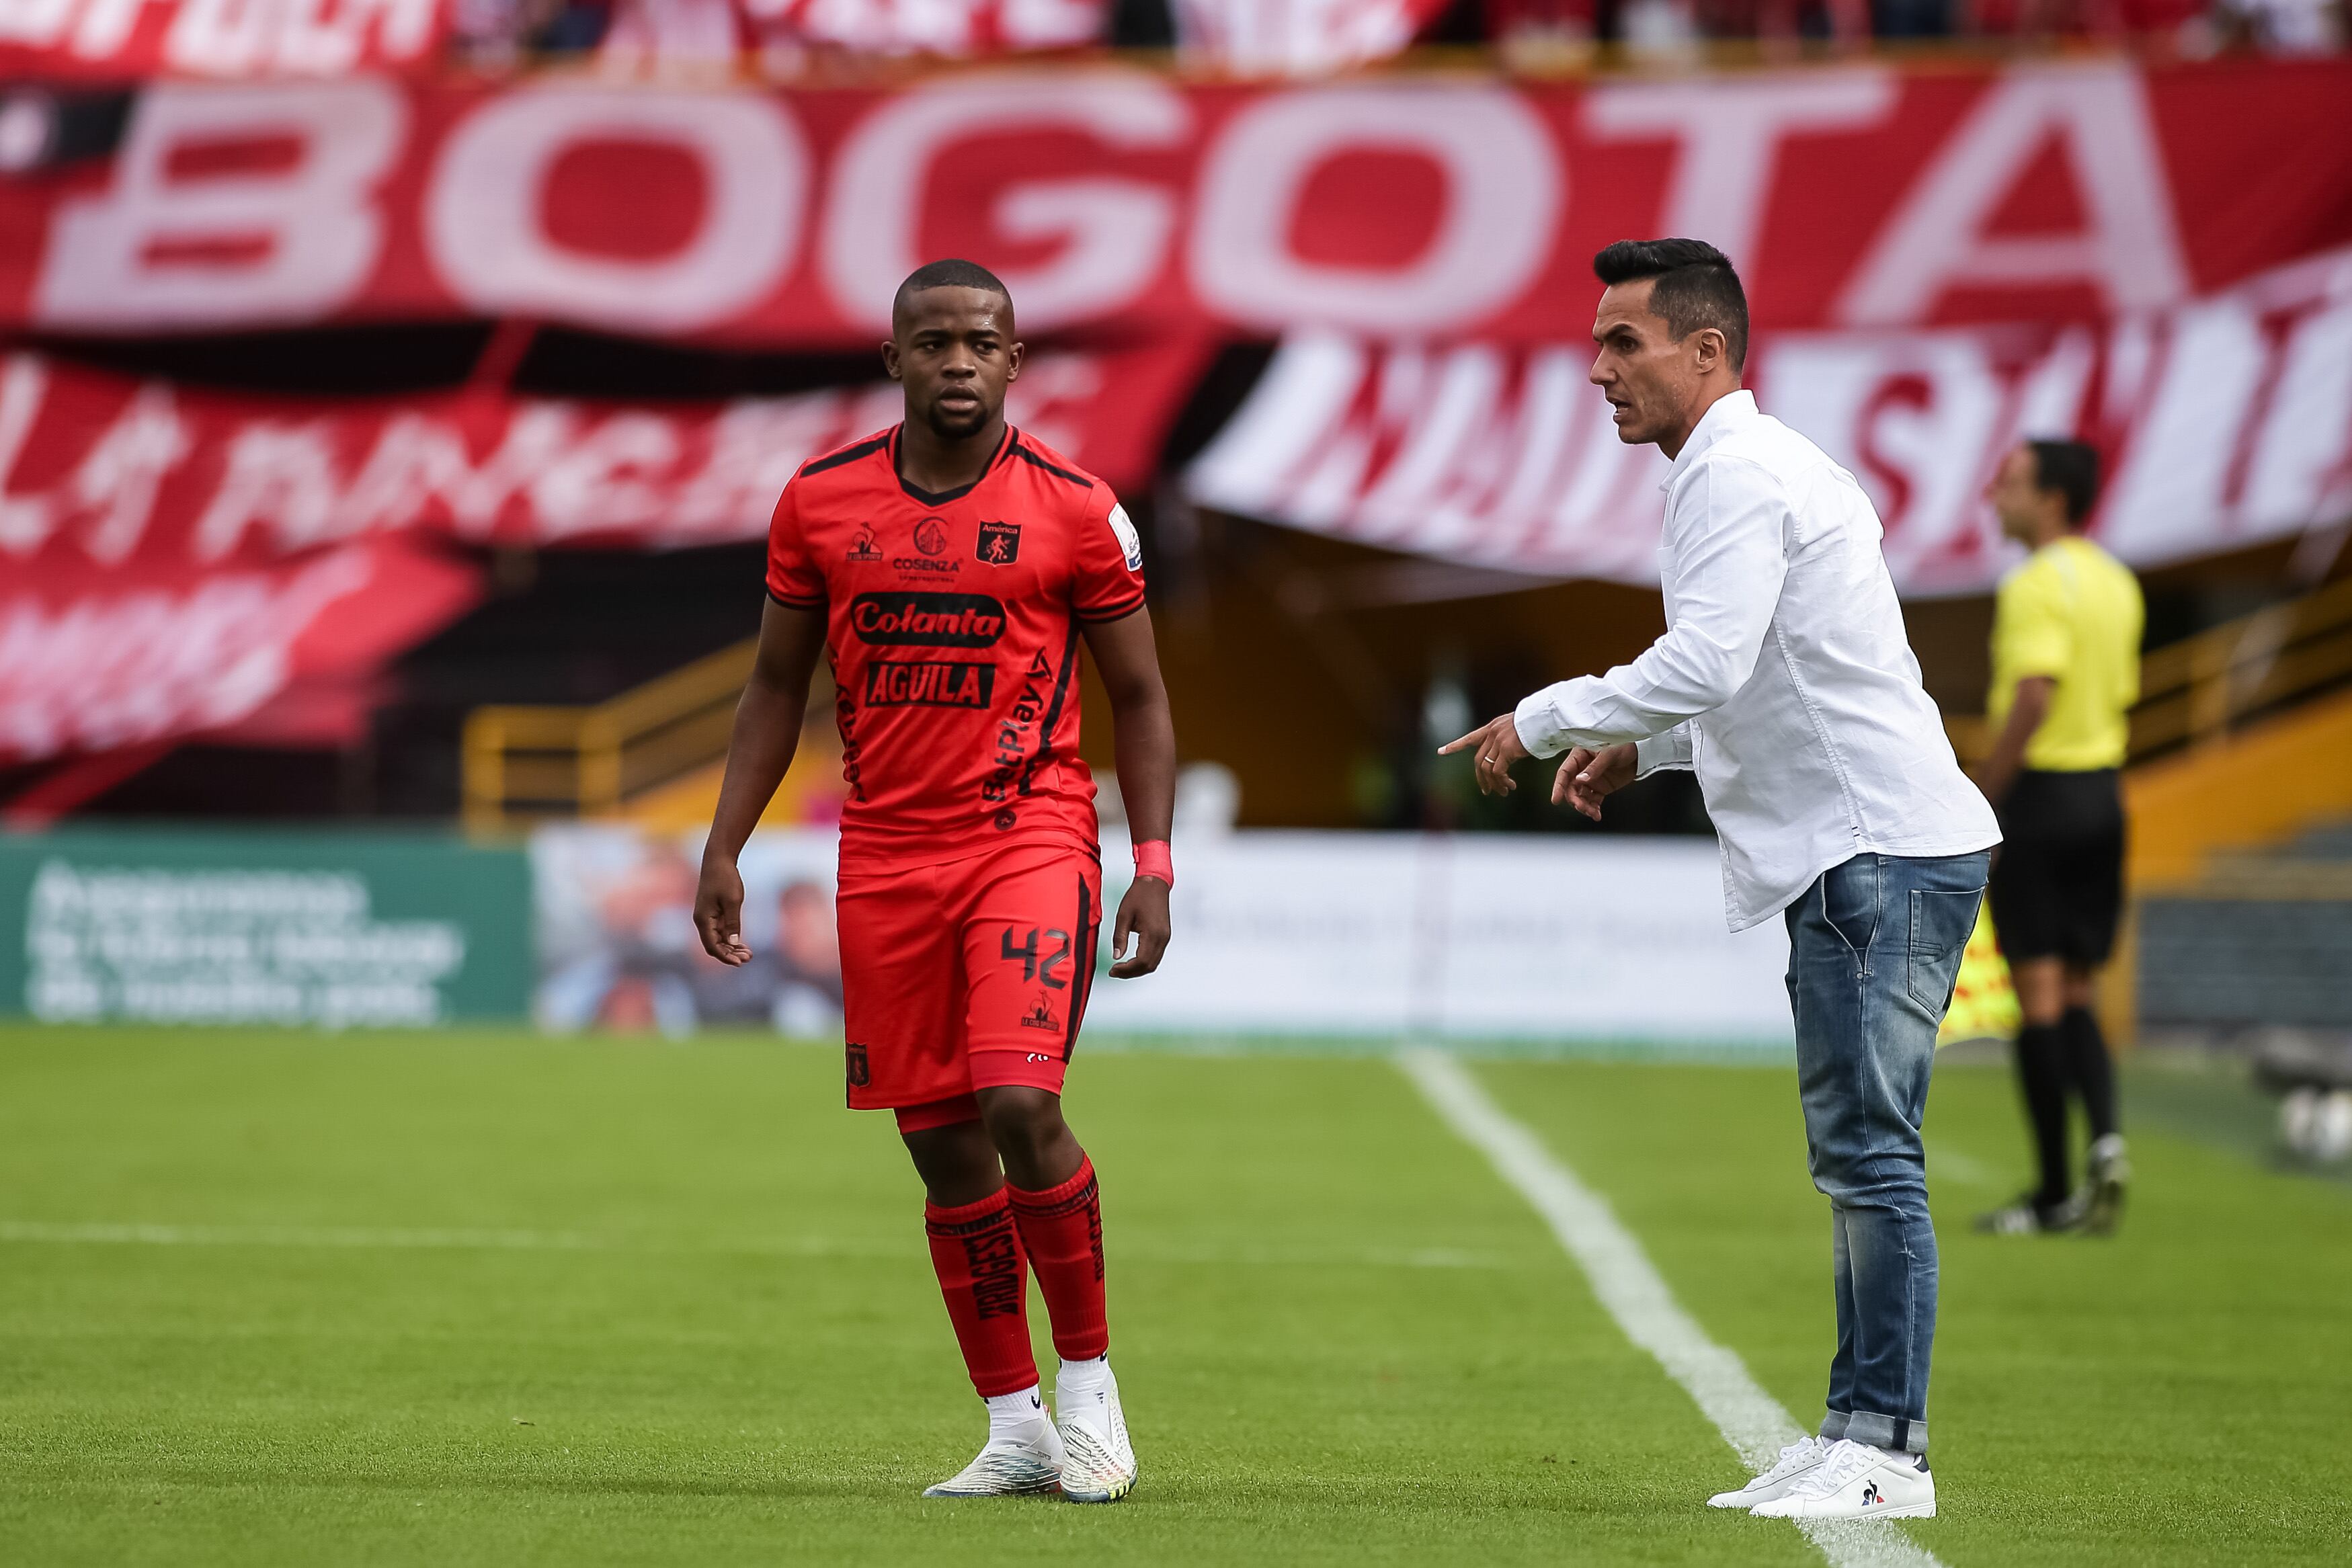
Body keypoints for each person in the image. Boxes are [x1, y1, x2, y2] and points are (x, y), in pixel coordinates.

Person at [1442, 239, 2000, 1522]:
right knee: (1855, 1153)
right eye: (1595, 343)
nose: (1596, 370)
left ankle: (1887, 1448)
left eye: (1621, 342)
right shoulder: (1757, 464)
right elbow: (1775, 668)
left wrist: (1539, 717)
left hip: (1873, 847)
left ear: (1705, 350)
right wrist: (1642, 748)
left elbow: (1707, 658)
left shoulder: (1732, 473)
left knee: (1869, 1156)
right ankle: (1852, 1428)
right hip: (1873, 842)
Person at [692, 259, 1176, 1504]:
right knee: (944, 1148)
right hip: (884, 859)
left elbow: (1138, 696)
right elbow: (773, 684)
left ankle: (1089, 1384)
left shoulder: (1077, 508)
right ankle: (1014, 1424)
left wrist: (1153, 862)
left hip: (1028, 840)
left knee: (1018, 1104)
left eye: (980, 341)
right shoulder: (818, 502)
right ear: (894, 358)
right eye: (933, 342)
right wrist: (725, 843)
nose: (957, 361)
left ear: (1014, 359)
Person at [1971, 441, 2143, 1237]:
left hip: (2041, 798)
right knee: (2078, 988)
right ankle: (2106, 1140)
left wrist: (1984, 797)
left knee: (2036, 995)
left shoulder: (2034, 583)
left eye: (2008, 483)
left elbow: (2034, 695)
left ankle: (2049, 1196)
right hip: (2104, 794)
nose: (1992, 495)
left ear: (2051, 500)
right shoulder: (2116, 581)